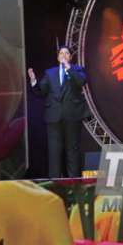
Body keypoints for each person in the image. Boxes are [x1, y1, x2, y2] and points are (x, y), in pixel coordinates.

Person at [28, 45, 89, 178]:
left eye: (67, 53)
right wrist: (33, 81)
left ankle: (74, 182)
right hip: (54, 116)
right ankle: (55, 182)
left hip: (72, 115)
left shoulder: (78, 70)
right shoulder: (50, 73)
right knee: (54, 152)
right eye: (61, 53)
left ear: (70, 57)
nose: (64, 55)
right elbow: (40, 91)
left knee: (72, 151)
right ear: (57, 57)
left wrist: (69, 68)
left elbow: (81, 82)